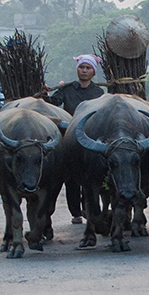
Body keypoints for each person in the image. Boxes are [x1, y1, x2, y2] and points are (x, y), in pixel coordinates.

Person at [47, 54, 105, 224]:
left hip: (92, 137)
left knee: (94, 175)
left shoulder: (99, 93)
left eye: (88, 68)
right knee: (72, 177)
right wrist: (44, 94)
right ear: (77, 69)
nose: (84, 71)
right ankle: (76, 212)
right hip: (70, 136)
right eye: (82, 67)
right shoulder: (66, 89)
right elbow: (53, 102)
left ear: (93, 72)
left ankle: (90, 207)